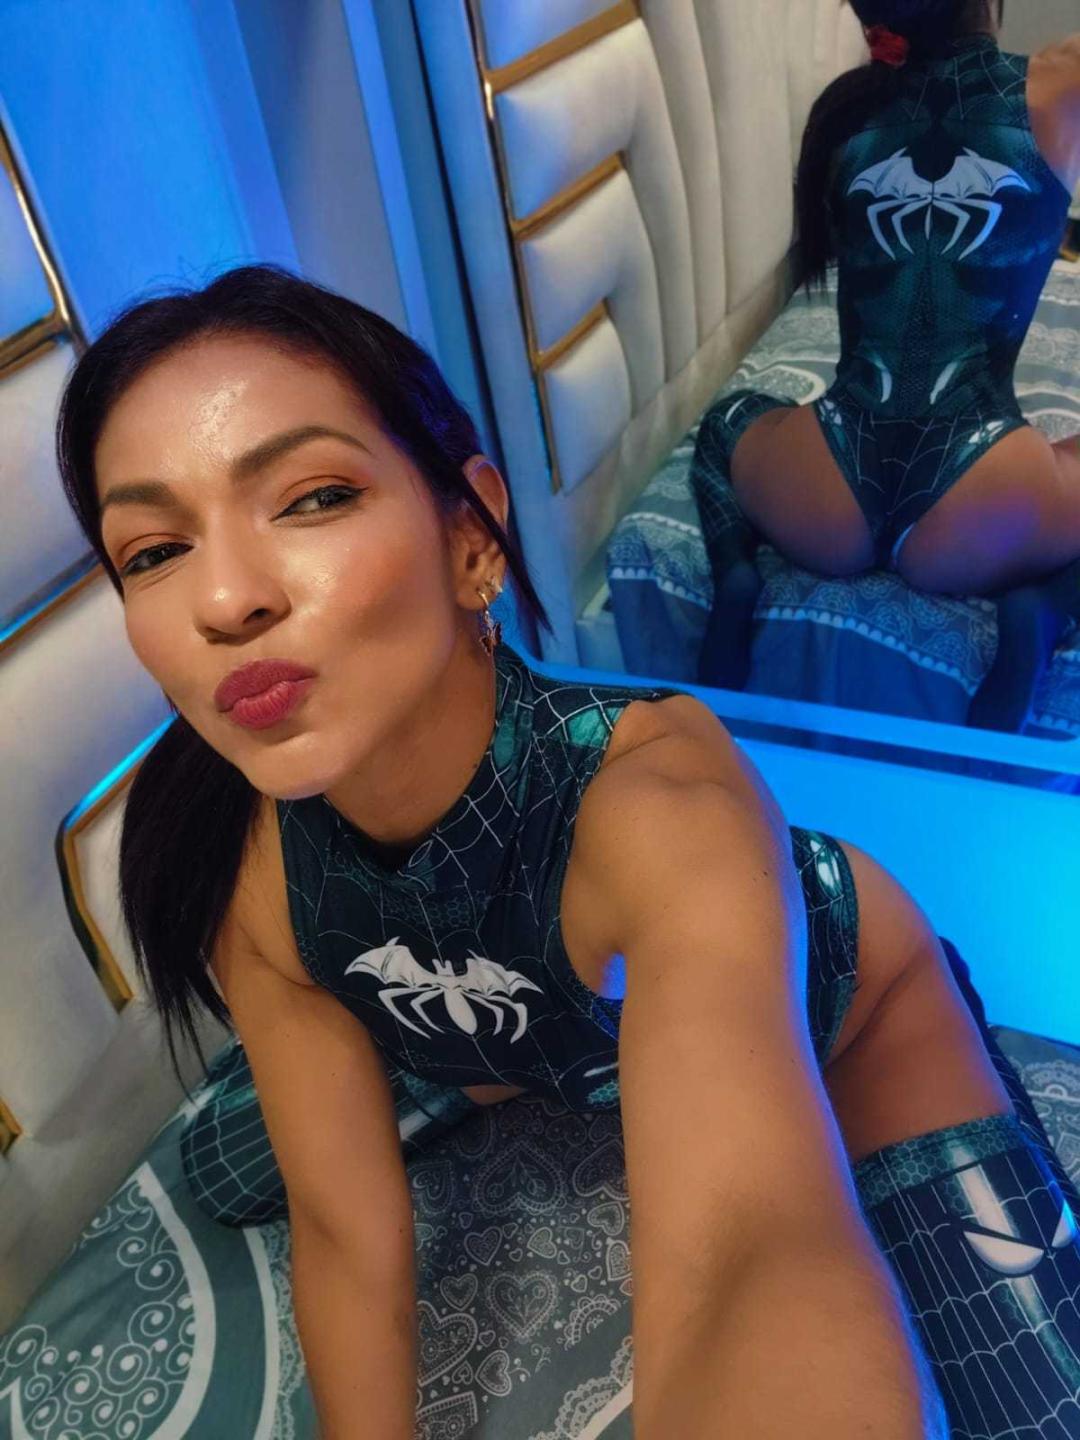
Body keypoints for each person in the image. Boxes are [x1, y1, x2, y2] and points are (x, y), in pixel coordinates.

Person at [57, 264, 1080, 1438]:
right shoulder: (247, 872)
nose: (225, 599)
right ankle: (509, 1050)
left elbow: (753, 1257)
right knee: (222, 1169)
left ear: (471, 538)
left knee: (1037, 1410)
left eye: (312, 497)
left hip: (847, 1001)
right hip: (518, 1024)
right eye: (153, 552)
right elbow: (344, 1232)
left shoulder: (658, 802)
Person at [691, 0, 1080, 732]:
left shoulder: (845, 114)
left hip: (828, 487)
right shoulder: (1062, 82)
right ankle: (1045, 610)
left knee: (726, 422)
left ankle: (735, 577)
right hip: (982, 499)